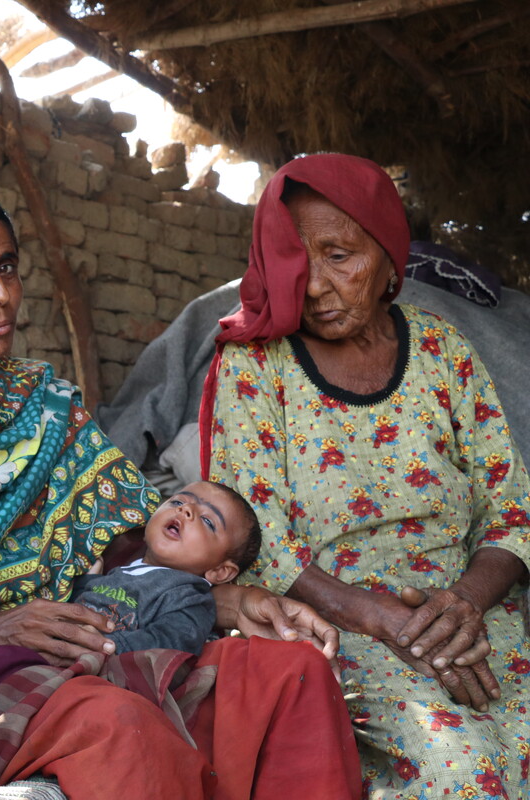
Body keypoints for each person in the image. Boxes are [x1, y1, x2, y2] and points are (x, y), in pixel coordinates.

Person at [0, 186, 362, 799]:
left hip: (96, 636)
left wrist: (230, 598)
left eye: (7, 267)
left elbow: (128, 542)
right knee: (122, 728)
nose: (0, 294)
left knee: (292, 673)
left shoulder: (50, 408)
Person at [201, 153, 530, 797]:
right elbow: (255, 536)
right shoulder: (257, 365)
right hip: (340, 625)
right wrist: (381, 620)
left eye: (340, 255)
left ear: (387, 256)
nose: (316, 284)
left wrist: (463, 603)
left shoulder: (442, 350)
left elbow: (511, 506)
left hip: (469, 616)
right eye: (297, 258)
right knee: (463, 775)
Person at [72, 481, 262, 656]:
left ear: (220, 571)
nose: (185, 509)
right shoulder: (124, 569)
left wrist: (106, 645)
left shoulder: (190, 599)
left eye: (208, 521)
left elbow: (169, 644)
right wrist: (88, 582)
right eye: (177, 501)